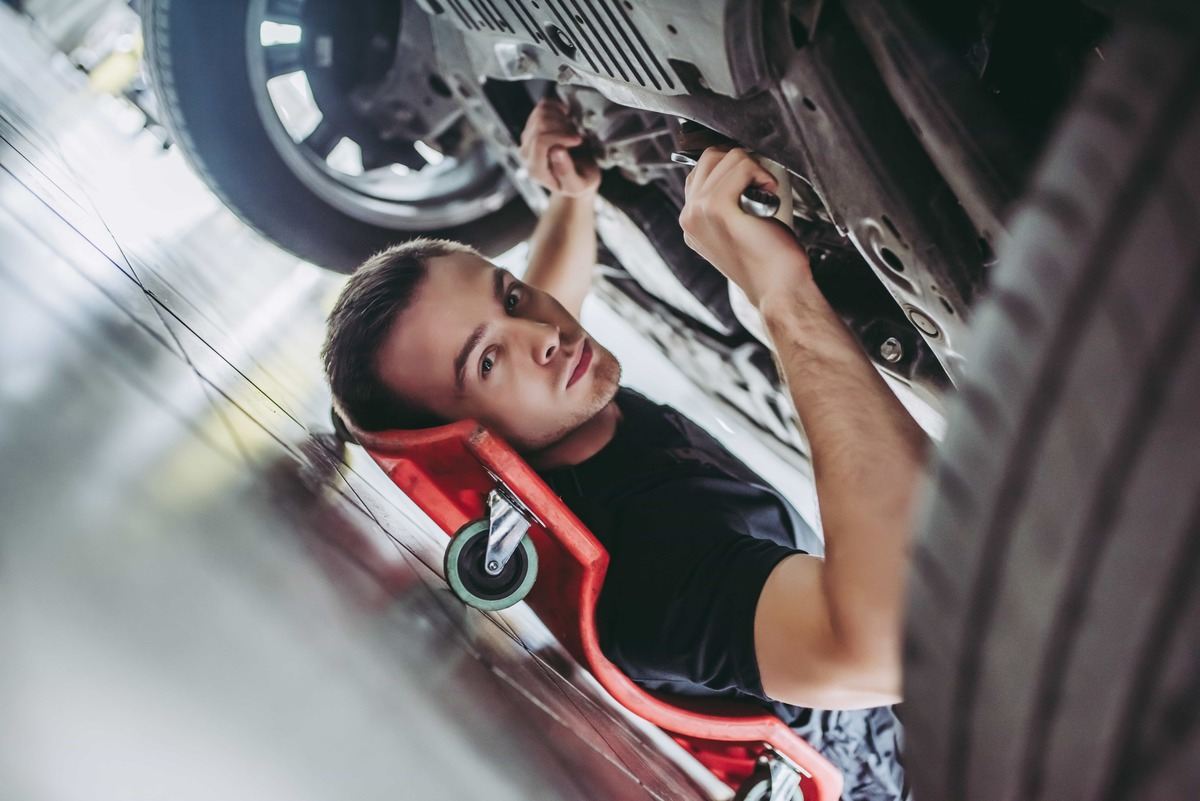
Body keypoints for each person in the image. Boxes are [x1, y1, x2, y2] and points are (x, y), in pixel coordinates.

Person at [321, 98, 926, 800]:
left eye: (510, 298)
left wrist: (570, 196)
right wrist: (782, 296)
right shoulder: (645, 581)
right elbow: (893, 641)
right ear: (465, 444)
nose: (542, 332)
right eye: (487, 362)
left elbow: (544, 294)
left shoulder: (553, 394)